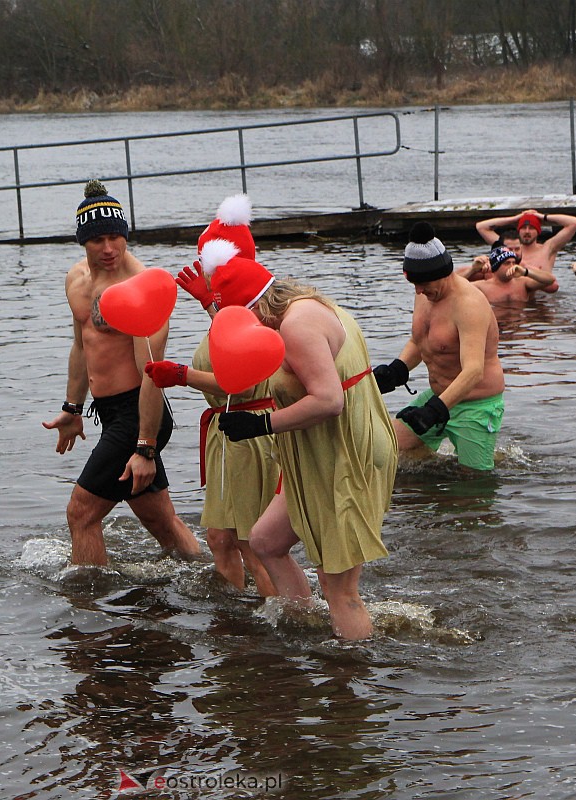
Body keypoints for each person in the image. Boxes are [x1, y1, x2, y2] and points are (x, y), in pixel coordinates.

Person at [146, 248, 397, 640]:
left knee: (339, 588)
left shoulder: (298, 325)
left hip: (346, 454)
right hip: (316, 452)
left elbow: (330, 401)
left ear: (259, 307)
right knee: (265, 541)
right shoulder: (303, 306)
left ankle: (352, 678)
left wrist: (260, 424)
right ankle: (306, 629)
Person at [41, 179, 202, 567]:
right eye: (99, 240)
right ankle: (219, 580)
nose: (109, 248)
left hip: (139, 415)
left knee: (82, 514)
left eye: (117, 237)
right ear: (83, 240)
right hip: (110, 412)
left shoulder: (142, 288)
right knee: (160, 521)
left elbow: (153, 374)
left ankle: (88, 610)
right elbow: (82, 346)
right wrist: (72, 407)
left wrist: (145, 447)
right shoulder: (76, 280)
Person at [172, 195, 277, 595]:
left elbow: (238, 378)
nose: (204, 271)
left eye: (208, 263)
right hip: (223, 435)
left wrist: (183, 376)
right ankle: (236, 616)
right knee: (219, 538)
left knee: (254, 545)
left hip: (249, 434)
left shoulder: (258, 305)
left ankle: (281, 617)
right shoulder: (228, 304)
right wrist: (210, 304)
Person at [373, 223, 506, 472]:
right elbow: (419, 341)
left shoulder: (469, 304)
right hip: (439, 396)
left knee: (474, 483)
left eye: (423, 283)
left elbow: (474, 371)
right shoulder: (424, 291)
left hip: (476, 404)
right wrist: (397, 370)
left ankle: (486, 453)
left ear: (443, 273)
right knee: (387, 447)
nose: (418, 291)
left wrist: (435, 411)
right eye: (413, 283)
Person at [476, 208, 576, 292]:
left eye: (531, 228)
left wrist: (542, 217)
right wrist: (515, 219)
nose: (527, 231)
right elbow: (481, 227)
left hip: (542, 301)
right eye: (523, 227)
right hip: (515, 296)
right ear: (518, 230)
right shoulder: (505, 247)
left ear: (538, 231)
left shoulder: (548, 248)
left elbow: (574, 222)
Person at [457, 241, 555, 306]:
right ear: (496, 267)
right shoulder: (481, 287)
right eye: (507, 263)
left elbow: (550, 280)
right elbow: (452, 287)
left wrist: (526, 272)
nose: (512, 266)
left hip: (521, 326)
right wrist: (472, 270)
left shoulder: (523, 283)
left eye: (513, 262)